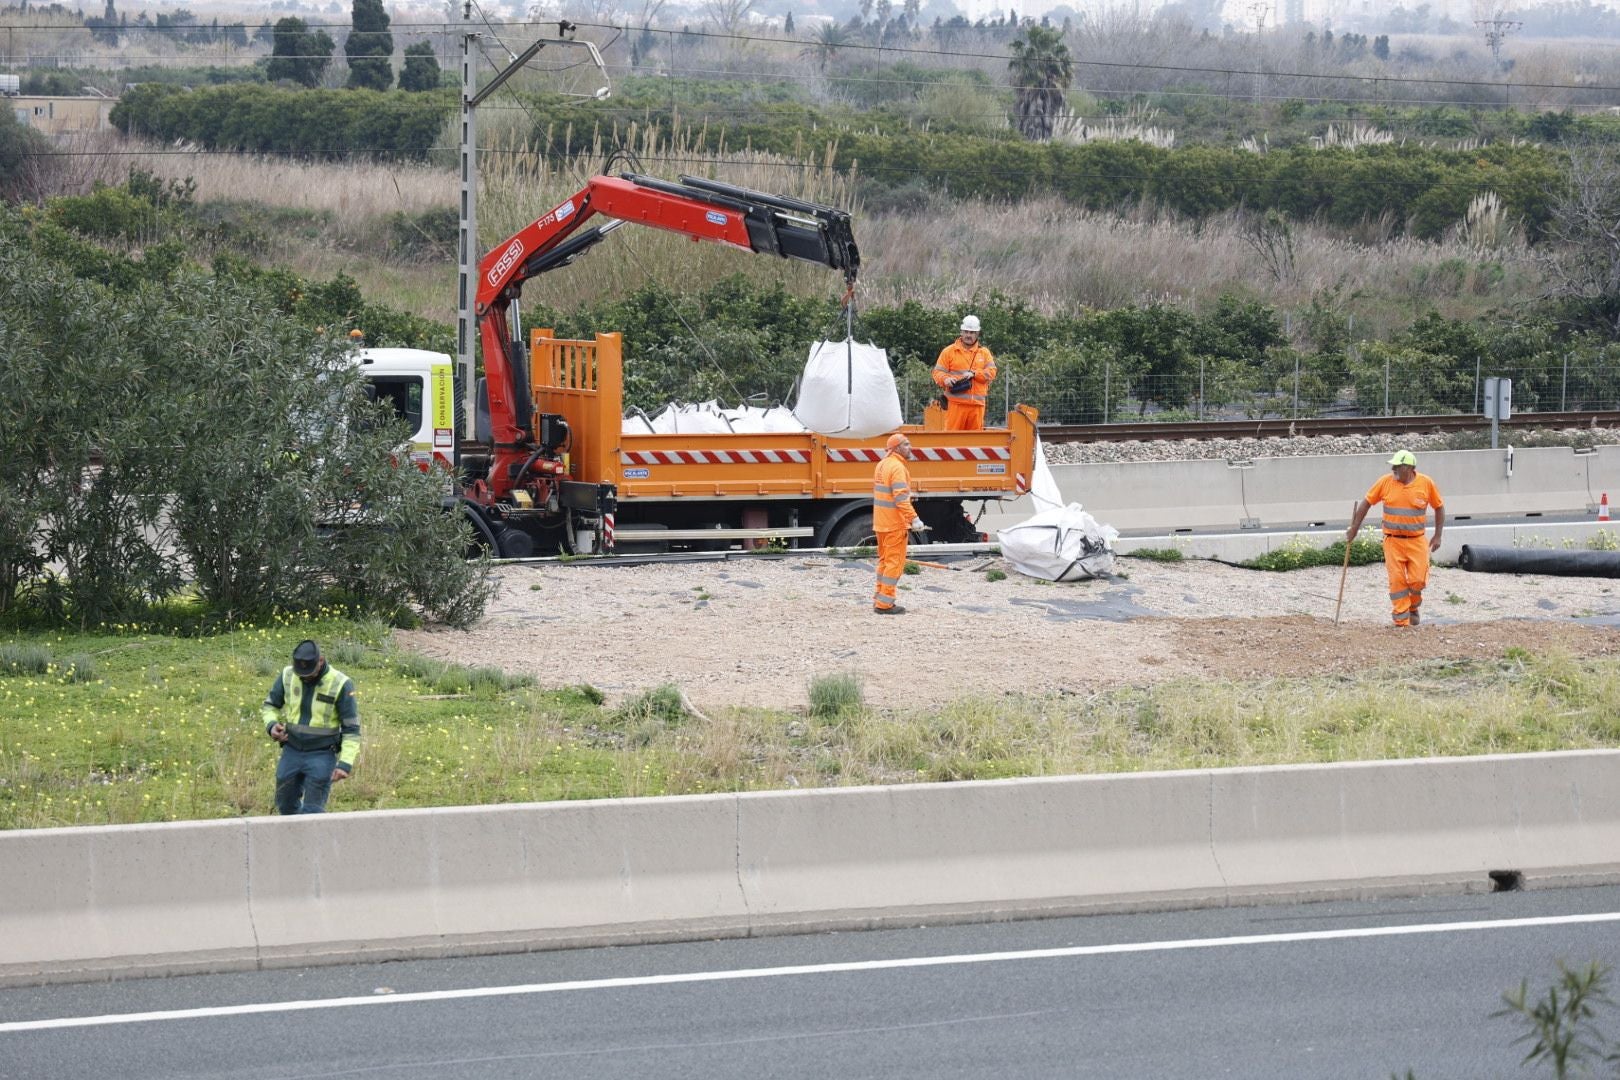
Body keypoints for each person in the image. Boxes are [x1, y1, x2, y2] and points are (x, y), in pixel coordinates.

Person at [1346, 450, 1445, 627]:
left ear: (1409, 468)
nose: (1393, 469)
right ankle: (1401, 622)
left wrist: (1438, 535)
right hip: (1393, 541)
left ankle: (1413, 606)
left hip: (1417, 541)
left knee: (1418, 580)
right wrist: (1354, 528)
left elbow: (1439, 507)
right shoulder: (1385, 482)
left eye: (1397, 466)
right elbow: (1366, 504)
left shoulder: (1426, 483)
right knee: (1397, 581)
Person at [262, 639, 360, 814]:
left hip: (322, 755)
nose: (304, 677)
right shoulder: (287, 675)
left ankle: (315, 839)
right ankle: (295, 839)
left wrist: (345, 763)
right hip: (291, 750)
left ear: (320, 660)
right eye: (301, 673)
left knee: (312, 811)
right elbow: (270, 706)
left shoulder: (341, 683)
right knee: (285, 806)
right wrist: (272, 726)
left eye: (308, 672)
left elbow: (351, 729)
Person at [872, 433, 928, 614]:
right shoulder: (897, 467)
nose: (910, 447)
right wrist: (914, 518)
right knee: (894, 564)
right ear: (896, 448)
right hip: (894, 524)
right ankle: (885, 604)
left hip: (881, 522)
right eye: (906, 444)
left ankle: (879, 598)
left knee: (884, 562)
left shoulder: (882, 464)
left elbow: (891, 493)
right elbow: (900, 498)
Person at [932, 315, 998, 431]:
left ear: (977, 334)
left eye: (972, 332)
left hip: (977, 406)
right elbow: (937, 372)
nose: (968, 335)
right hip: (955, 405)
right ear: (961, 332)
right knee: (952, 441)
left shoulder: (984, 353)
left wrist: (975, 374)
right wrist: (945, 379)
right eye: (966, 331)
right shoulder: (949, 351)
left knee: (975, 444)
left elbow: (992, 372)